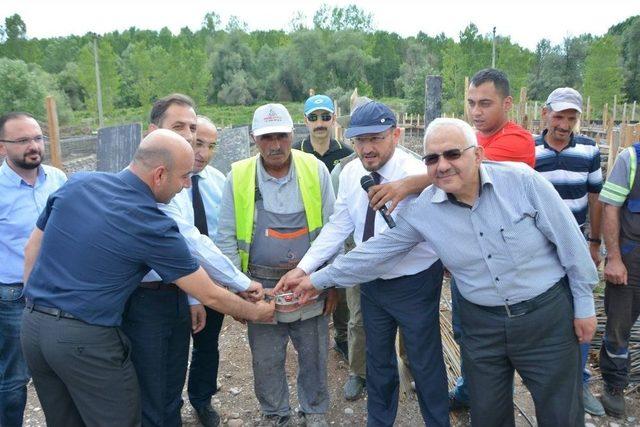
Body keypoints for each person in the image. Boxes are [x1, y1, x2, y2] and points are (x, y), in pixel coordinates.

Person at [283, 118, 598, 427]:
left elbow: (570, 242)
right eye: (432, 158)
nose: (443, 165)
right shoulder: (425, 210)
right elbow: (375, 252)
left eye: (453, 154)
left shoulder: (521, 181)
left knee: (561, 413)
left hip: (544, 317)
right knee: (488, 415)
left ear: (477, 154)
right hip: (482, 326)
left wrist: (583, 304)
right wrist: (315, 279)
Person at [20, 129, 274, 427]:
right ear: (159, 174)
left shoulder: (79, 183)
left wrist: (36, 307)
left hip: (33, 330)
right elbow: (209, 295)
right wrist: (256, 312)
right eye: (183, 177)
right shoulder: (150, 222)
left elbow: (31, 248)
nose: (185, 186)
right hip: (86, 340)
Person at [366, 69, 536, 410]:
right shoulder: (472, 137)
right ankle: (471, 391)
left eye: (485, 103)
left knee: (502, 343)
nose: (476, 111)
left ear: (507, 103)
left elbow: (462, 178)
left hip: (505, 263)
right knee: (466, 333)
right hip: (468, 261)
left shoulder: (516, 142)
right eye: (471, 103)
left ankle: (494, 398)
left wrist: (408, 183)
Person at [278, 101, 448, 427]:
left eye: (376, 138)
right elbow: (338, 226)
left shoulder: (415, 176)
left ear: (396, 135)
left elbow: (389, 249)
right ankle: (379, 421)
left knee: (425, 362)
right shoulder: (351, 172)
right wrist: (304, 268)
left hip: (414, 282)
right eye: (359, 140)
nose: (366, 148)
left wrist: (319, 278)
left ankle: (437, 421)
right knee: (377, 361)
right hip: (371, 284)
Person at [122, 94, 263, 427]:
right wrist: (241, 288)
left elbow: (215, 239)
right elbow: (189, 242)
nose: (193, 143)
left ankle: (197, 402)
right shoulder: (150, 185)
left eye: (196, 133)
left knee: (191, 359)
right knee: (154, 379)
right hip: (154, 294)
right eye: (182, 130)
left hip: (194, 284)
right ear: (152, 133)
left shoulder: (214, 182)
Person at [216, 103, 336, 427]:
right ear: (255, 139)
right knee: (266, 359)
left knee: (314, 354)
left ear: (291, 134)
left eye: (281, 136)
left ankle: (314, 411)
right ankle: (275, 414)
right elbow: (225, 237)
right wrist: (239, 291)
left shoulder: (314, 170)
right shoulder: (238, 176)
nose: (275, 145)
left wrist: (330, 283)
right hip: (260, 288)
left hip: (308, 286)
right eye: (266, 137)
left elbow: (333, 229)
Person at [534, 87, 605, 416]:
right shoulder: (529, 150)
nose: (564, 124)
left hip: (576, 242)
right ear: (545, 113)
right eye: (559, 116)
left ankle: (579, 383)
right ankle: (539, 380)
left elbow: (594, 198)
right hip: (538, 246)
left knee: (582, 310)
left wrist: (594, 243)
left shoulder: (589, 150)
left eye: (571, 118)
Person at [0, 112, 67, 427]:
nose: (34, 145)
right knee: (14, 379)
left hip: (59, 291)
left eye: (38, 137)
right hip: (14, 296)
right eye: (23, 140)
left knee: (62, 369)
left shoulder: (57, 179)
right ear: (2, 147)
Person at [293, 95, 354, 368]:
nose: (320, 123)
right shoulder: (296, 153)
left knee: (340, 288)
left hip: (340, 229)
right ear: (305, 120)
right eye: (314, 117)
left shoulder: (346, 153)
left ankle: (342, 337)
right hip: (304, 229)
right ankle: (305, 338)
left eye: (325, 117)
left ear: (333, 120)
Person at [185, 115, 230, 426]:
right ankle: (166, 403)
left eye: (211, 146)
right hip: (171, 283)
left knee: (207, 345)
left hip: (211, 283)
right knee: (171, 348)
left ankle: (202, 400)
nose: (203, 152)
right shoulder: (162, 183)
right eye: (198, 143)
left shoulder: (220, 182)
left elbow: (222, 238)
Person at [598, 140, 640, 418]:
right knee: (618, 325)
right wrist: (613, 257)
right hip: (632, 259)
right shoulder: (632, 158)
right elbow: (610, 206)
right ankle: (614, 384)